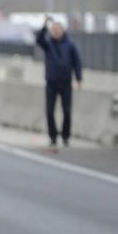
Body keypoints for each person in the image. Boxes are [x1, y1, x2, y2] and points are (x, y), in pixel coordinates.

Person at [34, 17, 82, 150]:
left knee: (67, 111)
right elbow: (38, 40)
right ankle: (53, 136)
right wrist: (44, 25)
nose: (56, 32)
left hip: (66, 82)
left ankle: (65, 136)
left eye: (58, 29)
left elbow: (77, 62)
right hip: (51, 82)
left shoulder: (70, 45)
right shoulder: (48, 44)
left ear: (63, 30)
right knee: (50, 111)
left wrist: (79, 78)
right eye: (53, 30)